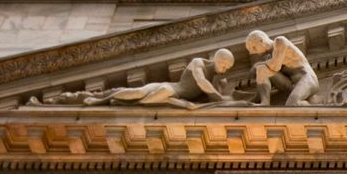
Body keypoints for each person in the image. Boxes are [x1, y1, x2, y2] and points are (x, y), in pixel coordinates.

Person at [82, 49, 235, 109]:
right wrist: (219, 97)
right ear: (217, 59)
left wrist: (219, 95)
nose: (224, 69)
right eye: (223, 64)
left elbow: (213, 103)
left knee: (155, 97)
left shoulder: (220, 80)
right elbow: (201, 82)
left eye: (227, 67)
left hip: (176, 96)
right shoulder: (199, 62)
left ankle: (123, 103)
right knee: (139, 92)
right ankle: (101, 101)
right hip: (173, 88)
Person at [245, 30, 318, 106]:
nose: (255, 52)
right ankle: (265, 103)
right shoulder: (269, 58)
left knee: (292, 104)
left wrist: (257, 65)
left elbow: (276, 66)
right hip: (290, 85)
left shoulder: (280, 41)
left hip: (307, 79)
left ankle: (313, 108)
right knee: (261, 69)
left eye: (254, 48)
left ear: (261, 41)